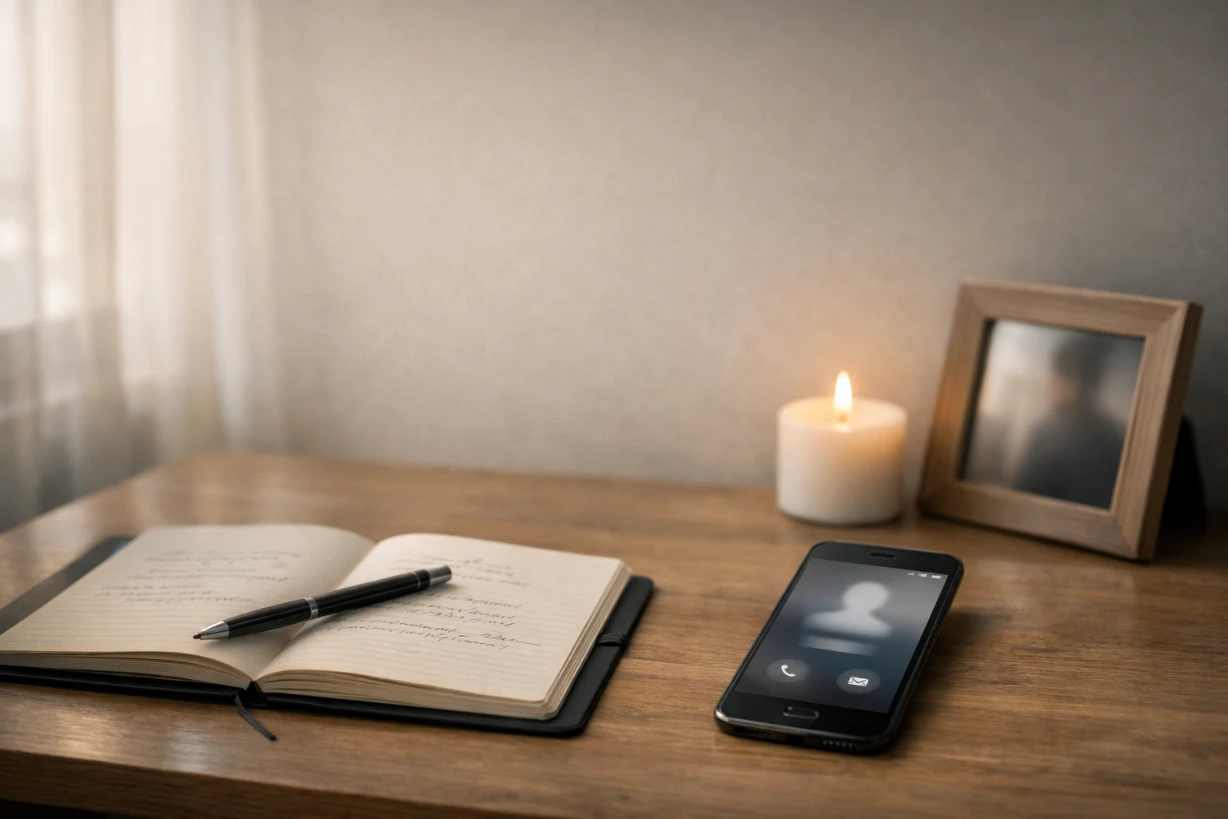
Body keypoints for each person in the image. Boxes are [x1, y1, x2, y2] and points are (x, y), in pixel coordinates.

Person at [1013, 335, 1127, 509]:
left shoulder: (1047, 434)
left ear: (1077, 382)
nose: (1049, 385)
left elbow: (1022, 501)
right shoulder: (1115, 436)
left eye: (1057, 376)